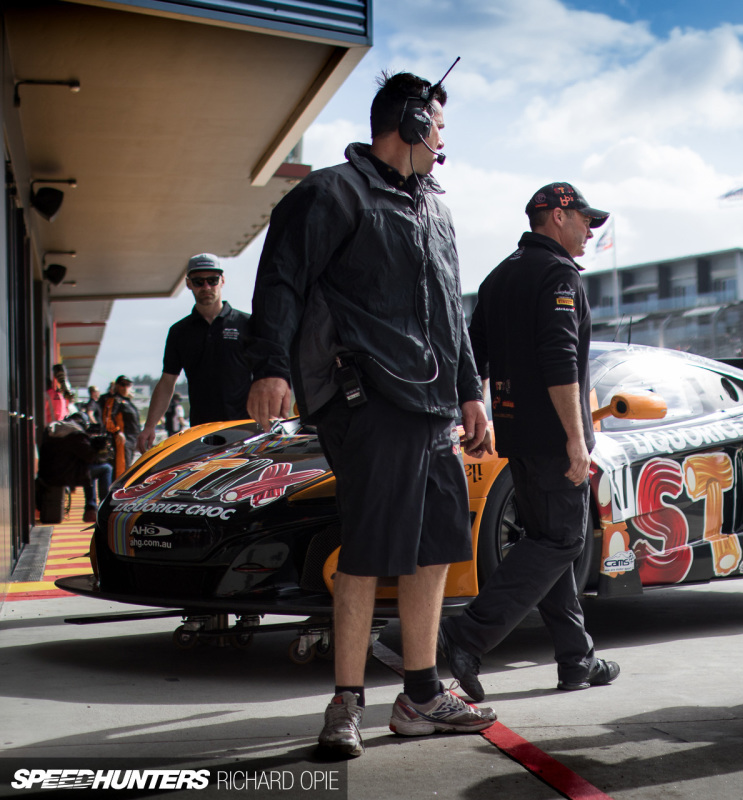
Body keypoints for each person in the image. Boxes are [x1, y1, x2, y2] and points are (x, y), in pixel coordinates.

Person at [244, 69, 496, 758]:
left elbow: (451, 309)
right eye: (437, 127)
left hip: (433, 407)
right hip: (365, 397)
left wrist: (470, 390)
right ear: (409, 124)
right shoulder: (330, 193)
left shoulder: (435, 209)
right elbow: (281, 281)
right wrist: (270, 366)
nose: (443, 141)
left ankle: (421, 695)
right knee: (367, 549)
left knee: (435, 546)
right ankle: (345, 703)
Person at [439, 182, 620, 703]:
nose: (590, 231)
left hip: (515, 434)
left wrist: (474, 411)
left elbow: (471, 354)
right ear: (559, 215)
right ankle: (467, 634)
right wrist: (576, 440)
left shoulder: (500, 275)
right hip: (552, 435)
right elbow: (560, 362)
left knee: (547, 541)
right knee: (563, 540)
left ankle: (576, 657)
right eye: (585, 219)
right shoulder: (559, 275)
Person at [136, 254, 252, 454]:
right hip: (203, 431)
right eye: (199, 282)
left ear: (222, 281)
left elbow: (268, 373)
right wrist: (149, 426)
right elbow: (167, 382)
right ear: (189, 284)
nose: (206, 287)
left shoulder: (246, 324)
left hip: (248, 427)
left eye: (212, 280)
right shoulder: (179, 332)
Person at [103, 376, 141, 475]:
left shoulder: (128, 401)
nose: (125, 388)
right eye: (122, 385)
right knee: (122, 470)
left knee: (128, 468)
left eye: (128, 385)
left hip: (132, 439)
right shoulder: (115, 400)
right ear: (117, 386)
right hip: (122, 440)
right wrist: (117, 432)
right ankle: (119, 485)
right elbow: (108, 419)